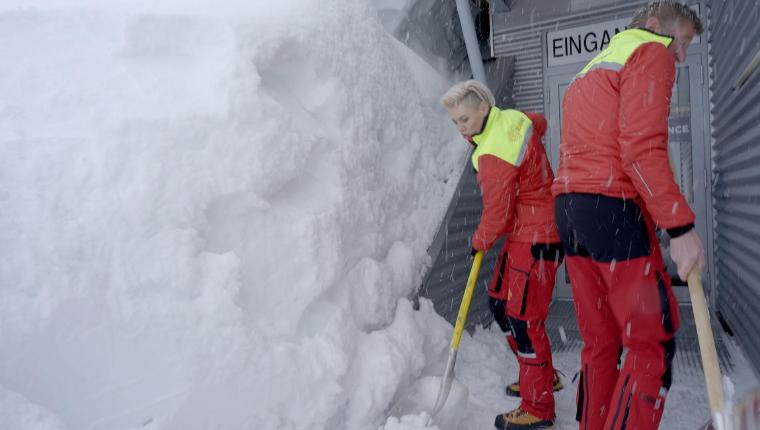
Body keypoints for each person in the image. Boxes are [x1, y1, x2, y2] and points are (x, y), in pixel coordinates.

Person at [552, 2, 705, 429]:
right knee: (651, 346)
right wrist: (680, 226)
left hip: (571, 209)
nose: (682, 55)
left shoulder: (592, 69)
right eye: (684, 41)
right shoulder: (651, 50)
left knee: (601, 342)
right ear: (656, 26)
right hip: (611, 212)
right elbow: (639, 149)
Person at [441, 80, 564, 430]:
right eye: (455, 123)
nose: (460, 128)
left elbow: (497, 213)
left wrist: (478, 241)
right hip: (526, 230)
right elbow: (538, 122)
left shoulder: (494, 150)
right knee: (498, 302)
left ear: (483, 107)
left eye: (464, 119)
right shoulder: (511, 119)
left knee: (525, 322)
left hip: (537, 235)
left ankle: (539, 406)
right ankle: (540, 375)